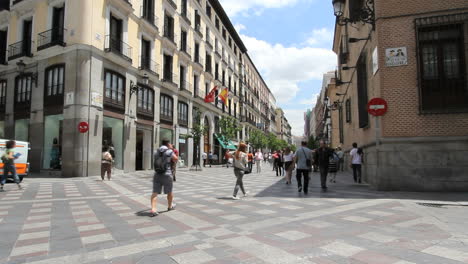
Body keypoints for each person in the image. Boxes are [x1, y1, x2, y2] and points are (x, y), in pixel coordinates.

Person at [150, 139, 178, 217]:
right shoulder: (169, 151)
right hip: (167, 174)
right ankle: (169, 206)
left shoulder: (156, 151)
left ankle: (153, 209)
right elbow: (175, 159)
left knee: (155, 192)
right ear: (168, 144)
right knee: (169, 191)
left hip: (157, 174)